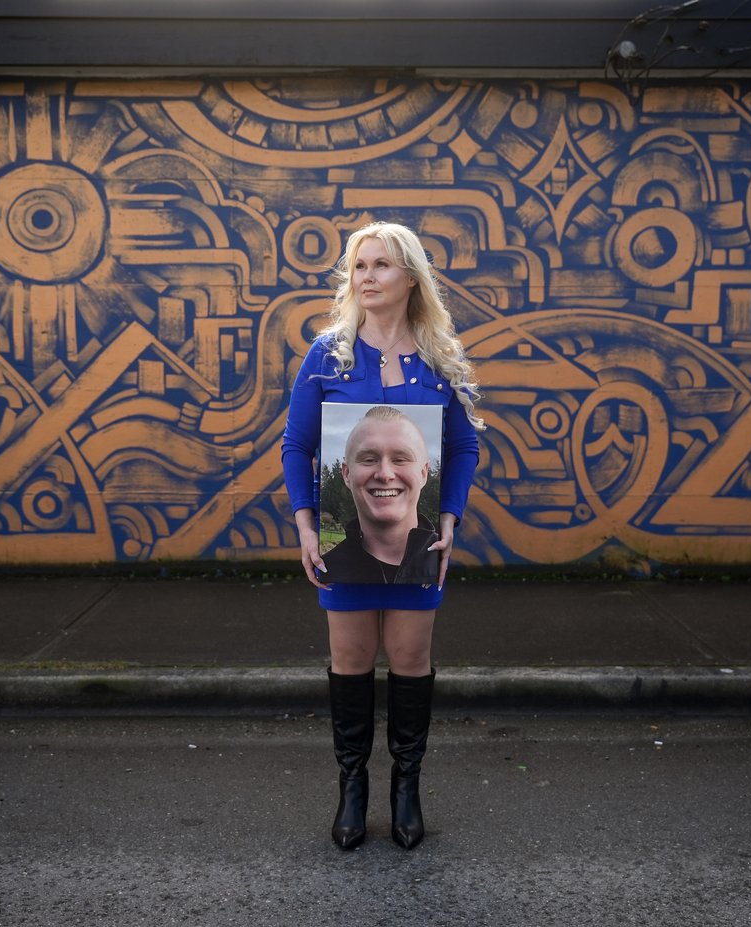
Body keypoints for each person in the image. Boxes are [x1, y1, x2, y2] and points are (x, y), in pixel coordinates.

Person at [281, 221, 484, 850]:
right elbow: (297, 446)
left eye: (381, 266)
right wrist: (307, 527)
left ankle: (406, 786)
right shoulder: (328, 355)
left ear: (410, 278)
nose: (366, 277)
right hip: (344, 544)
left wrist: (448, 520)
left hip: (419, 549)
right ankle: (351, 788)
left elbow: (463, 445)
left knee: (409, 660)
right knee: (349, 661)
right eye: (359, 266)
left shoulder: (437, 357)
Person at [320, 406, 441, 586]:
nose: (385, 474)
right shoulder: (327, 567)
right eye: (369, 460)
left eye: (400, 459)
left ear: (424, 474)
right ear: (346, 474)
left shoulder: (448, 561)